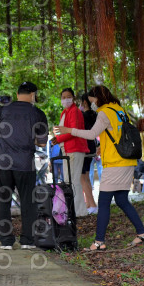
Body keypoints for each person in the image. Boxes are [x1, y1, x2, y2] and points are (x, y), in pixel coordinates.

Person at [55, 85, 144, 251]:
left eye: (92, 101)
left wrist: (69, 130)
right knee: (121, 200)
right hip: (127, 161)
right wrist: (102, 146)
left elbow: (91, 134)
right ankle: (142, 233)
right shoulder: (120, 110)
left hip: (115, 163)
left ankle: (99, 242)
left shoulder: (104, 112)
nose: (92, 105)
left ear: (97, 98)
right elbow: (115, 134)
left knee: (104, 202)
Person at [0, 81, 49, 250]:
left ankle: (6, 241)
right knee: (27, 201)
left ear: (17, 94)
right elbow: (41, 142)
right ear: (33, 95)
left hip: (3, 162)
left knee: (3, 200)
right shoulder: (38, 113)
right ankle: (27, 240)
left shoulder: (2, 110)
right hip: (24, 163)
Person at [50, 88, 89, 217]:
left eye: (68, 96)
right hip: (67, 149)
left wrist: (58, 138)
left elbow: (73, 130)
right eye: (63, 97)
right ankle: (75, 210)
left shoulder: (75, 111)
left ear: (73, 98)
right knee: (69, 181)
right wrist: (58, 139)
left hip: (75, 149)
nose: (65, 99)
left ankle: (77, 212)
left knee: (72, 181)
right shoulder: (64, 113)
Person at [79, 93, 98, 214]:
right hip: (92, 147)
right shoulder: (95, 115)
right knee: (87, 176)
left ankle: (92, 204)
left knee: (83, 178)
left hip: (84, 147)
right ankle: (89, 203)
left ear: (84, 103)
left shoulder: (83, 116)